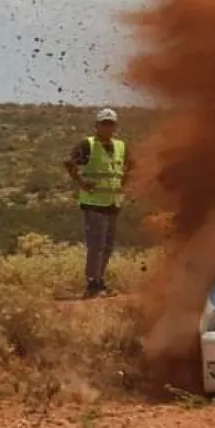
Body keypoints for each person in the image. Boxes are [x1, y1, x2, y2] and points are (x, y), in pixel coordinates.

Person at [63, 108, 134, 298]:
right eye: (104, 123)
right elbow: (69, 163)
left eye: (111, 124)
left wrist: (123, 183)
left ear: (116, 126)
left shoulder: (121, 146)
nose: (108, 127)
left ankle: (99, 280)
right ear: (97, 126)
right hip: (94, 204)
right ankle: (93, 283)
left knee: (108, 246)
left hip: (112, 203)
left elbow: (131, 165)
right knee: (97, 245)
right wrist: (81, 183)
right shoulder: (87, 145)